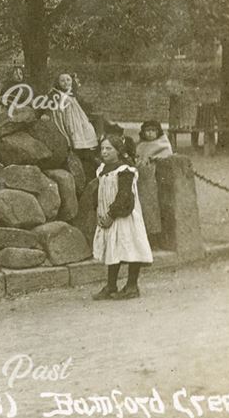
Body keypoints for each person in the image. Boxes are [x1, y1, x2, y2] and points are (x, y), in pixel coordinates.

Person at [91, 135, 153, 301]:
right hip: (108, 215)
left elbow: (124, 196)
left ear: (118, 151)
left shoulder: (124, 170)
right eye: (103, 148)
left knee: (131, 247)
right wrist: (100, 212)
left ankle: (132, 285)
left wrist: (112, 214)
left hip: (124, 215)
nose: (104, 152)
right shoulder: (102, 169)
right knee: (113, 248)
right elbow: (100, 192)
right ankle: (111, 285)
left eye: (109, 148)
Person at [49, 73, 98, 170]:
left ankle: (85, 155)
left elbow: (83, 105)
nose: (65, 82)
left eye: (68, 80)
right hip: (64, 118)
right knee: (71, 133)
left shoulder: (73, 94)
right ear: (57, 83)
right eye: (62, 80)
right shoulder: (55, 93)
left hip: (77, 119)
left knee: (86, 130)